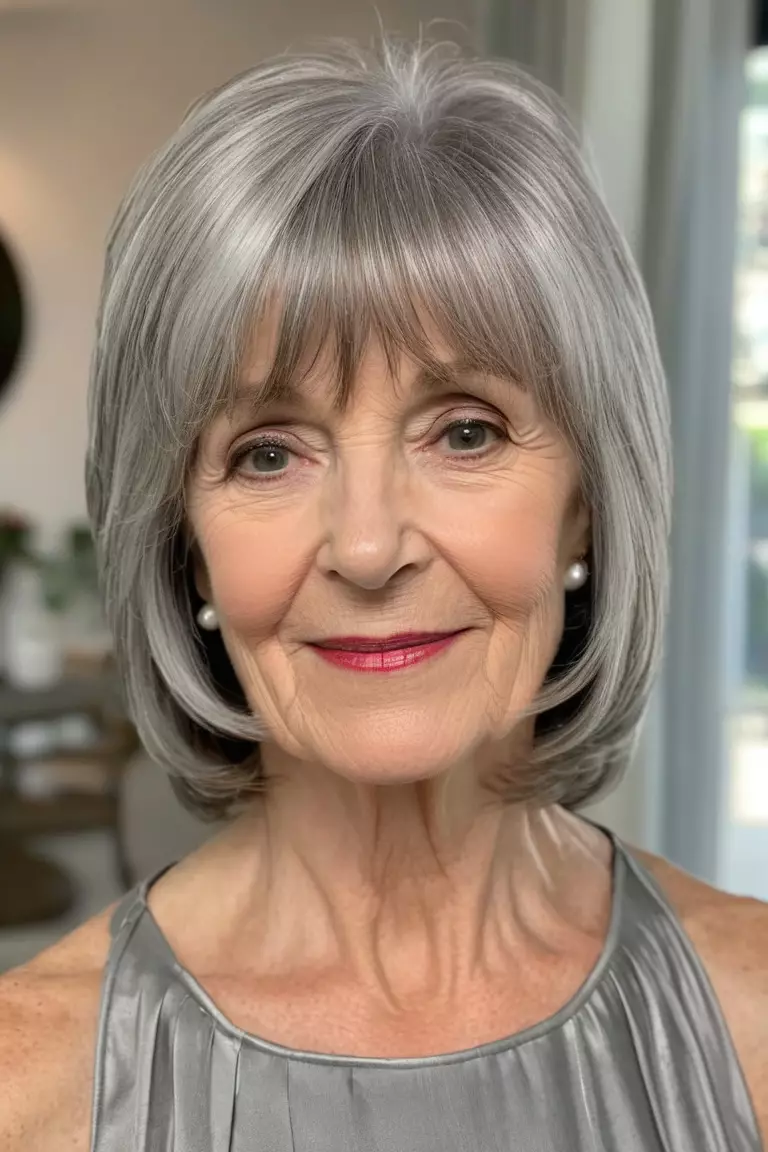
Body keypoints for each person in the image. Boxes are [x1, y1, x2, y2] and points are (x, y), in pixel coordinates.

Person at [1, 37, 766, 1152]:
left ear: (586, 504)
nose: (366, 546)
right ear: (185, 540)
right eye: (268, 452)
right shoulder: (25, 1089)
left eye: (465, 431)